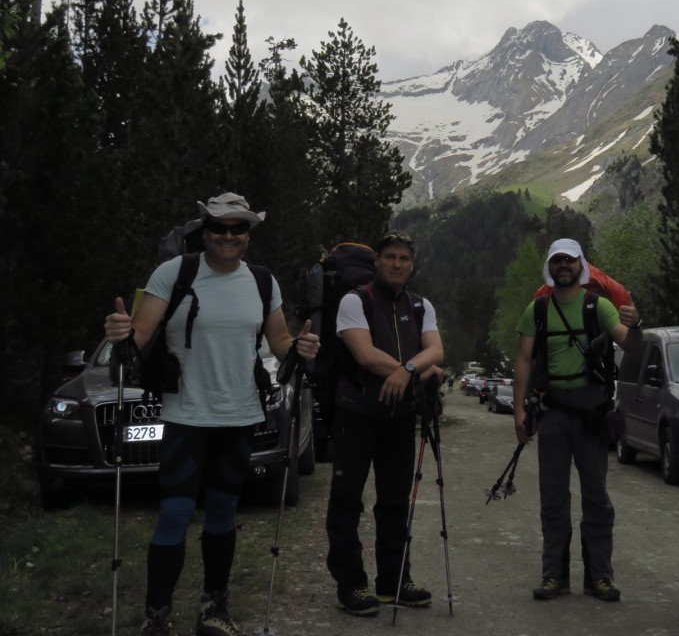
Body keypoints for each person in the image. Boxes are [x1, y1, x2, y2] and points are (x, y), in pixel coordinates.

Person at [103, 192, 320, 636]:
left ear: (248, 235)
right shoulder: (174, 272)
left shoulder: (262, 282)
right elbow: (140, 338)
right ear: (204, 231)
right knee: (175, 515)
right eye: (218, 227)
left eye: (238, 228)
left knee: (222, 512)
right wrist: (121, 334)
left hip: (239, 415)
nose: (227, 235)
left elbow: (278, 341)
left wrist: (300, 347)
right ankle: (157, 617)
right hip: (186, 415)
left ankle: (213, 610)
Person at [512, 238, 642, 604]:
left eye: (570, 260)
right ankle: (554, 575)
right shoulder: (535, 311)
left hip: (591, 414)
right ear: (550, 268)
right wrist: (520, 410)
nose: (564, 265)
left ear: (580, 265)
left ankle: (599, 576)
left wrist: (636, 326)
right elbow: (523, 359)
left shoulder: (598, 305)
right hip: (552, 412)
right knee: (552, 499)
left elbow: (630, 346)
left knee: (597, 498)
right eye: (557, 260)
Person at [325, 232, 445, 617]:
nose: (397, 264)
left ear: (412, 264)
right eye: (390, 257)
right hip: (355, 413)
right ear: (377, 261)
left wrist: (409, 370)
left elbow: (436, 350)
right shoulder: (354, 300)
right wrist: (414, 371)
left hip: (399, 417)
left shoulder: (421, 305)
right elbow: (363, 353)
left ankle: (394, 582)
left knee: (395, 503)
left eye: (404, 258)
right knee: (347, 501)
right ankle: (351, 586)